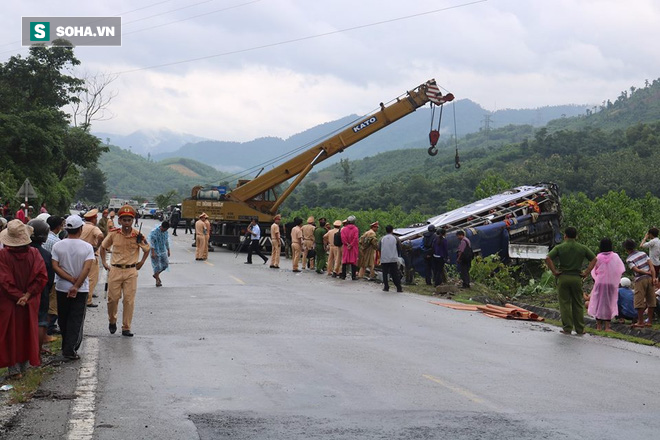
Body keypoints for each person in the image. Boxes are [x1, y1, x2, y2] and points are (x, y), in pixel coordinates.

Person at [0, 220, 48, 378]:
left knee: (10, 333)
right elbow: (41, 278)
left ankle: (13, 370)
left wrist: (18, 296)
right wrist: (27, 295)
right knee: (28, 330)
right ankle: (24, 366)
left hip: (9, 301)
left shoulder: (3, 256)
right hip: (30, 301)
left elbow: (4, 282)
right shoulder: (34, 254)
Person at [99, 205, 150, 337]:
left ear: (133, 221)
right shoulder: (114, 234)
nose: (127, 223)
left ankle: (126, 327)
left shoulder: (137, 235)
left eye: (129, 220)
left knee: (128, 300)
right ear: (119, 221)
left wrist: (141, 262)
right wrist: (104, 263)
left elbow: (147, 249)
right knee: (112, 299)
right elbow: (103, 247)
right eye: (124, 220)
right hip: (115, 270)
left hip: (131, 271)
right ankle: (112, 320)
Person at [51, 215, 95, 360]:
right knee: (76, 319)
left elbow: (55, 266)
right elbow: (87, 269)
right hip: (81, 290)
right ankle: (69, 349)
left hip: (62, 287)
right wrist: (76, 286)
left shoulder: (58, 245)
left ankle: (66, 346)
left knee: (63, 317)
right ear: (80, 229)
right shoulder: (87, 247)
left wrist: (69, 280)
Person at [545, 227, 597, 335]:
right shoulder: (582, 248)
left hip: (563, 277)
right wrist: (586, 272)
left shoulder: (560, 247)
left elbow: (548, 258)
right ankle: (580, 329)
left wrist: (554, 271)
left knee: (564, 303)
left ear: (565, 236)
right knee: (577, 303)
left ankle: (567, 328)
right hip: (576, 278)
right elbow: (594, 259)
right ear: (576, 236)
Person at [28, 219, 56, 357]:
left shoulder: (21, 250)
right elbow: (50, 278)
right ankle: (36, 352)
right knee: (41, 320)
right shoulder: (45, 254)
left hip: (22, 291)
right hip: (41, 291)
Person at [586, 238, 625, 331]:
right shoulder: (615, 256)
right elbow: (621, 269)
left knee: (598, 302)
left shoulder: (598, 257)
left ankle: (598, 326)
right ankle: (607, 326)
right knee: (609, 303)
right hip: (611, 283)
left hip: (600, 283)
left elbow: (593, 270)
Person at [623, 238, 656, 328]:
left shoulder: (629, 259)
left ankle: (640, 322)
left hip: (640, 280)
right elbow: (651, 266)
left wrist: (645, 272)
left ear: (626, 249)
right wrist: (653, 277)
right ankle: (649, 321)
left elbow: (636, 270)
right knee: (651, 300)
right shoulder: (643, 253)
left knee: (639, 300)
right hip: (650, 278)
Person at [81, 209, 104, 308]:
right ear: (93, 219)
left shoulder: (81, 226)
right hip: (91, 255)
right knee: (91, 278)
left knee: (82, 276)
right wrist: (97, 246)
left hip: (81, 254)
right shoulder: (93, 228)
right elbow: (100, 236)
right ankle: (88, 300)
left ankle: (84, 296)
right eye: (96, 218)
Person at [380, 225, 403, 292]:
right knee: (395, 273)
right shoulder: (396, 238)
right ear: (392, 230)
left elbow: (379, 248)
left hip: (384, 258)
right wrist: (397, 255)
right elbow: (399, 248)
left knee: (385, 273)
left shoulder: (382, 238)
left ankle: (386, 287)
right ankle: (398, 287)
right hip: (393, 258)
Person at [149, 221, 170, 287]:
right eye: (164, 229)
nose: (165, 231)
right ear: (162, 227)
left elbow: (166, 241)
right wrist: (153, 252)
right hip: (155, 251)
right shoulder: (154, 232)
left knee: (165, 264)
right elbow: (151, 243)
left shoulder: (166, 232)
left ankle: (156, 274)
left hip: (162, 250)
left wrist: (168, 250)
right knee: (157, 266)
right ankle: (157, 281)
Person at [340, 215, 359, 280]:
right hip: (353, 247)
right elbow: (355, 238)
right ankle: (353, 276)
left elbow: (343, 237)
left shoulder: (344, 229)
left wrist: (347, 244)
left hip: (346, 247)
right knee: (353, 261)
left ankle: (343, 275)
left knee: (344, 261)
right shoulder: (356, 229)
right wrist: (351, 245)